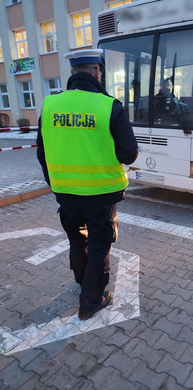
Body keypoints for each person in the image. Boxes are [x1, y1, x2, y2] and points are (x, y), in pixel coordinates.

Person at [37, 49, 138, 320]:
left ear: (72, 73)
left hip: (65, 195)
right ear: (98, 73)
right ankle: (91, 302)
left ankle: (83, 282)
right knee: (98, 246)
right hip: (101, 194)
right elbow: (129, 154)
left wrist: (56, 184)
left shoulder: (50, 106)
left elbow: (41, 153)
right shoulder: (109, 106)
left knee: (75, 239)